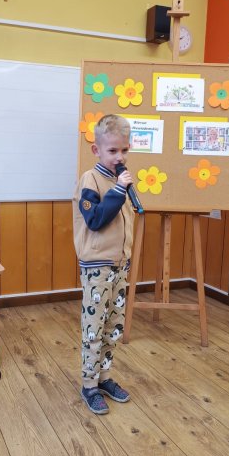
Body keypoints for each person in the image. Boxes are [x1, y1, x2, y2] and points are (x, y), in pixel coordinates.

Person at [72, 114, 135, 414]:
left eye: (124, 150)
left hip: (119, 264)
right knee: (94, 328)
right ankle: (89, 385)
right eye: (112, 151)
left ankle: (105, 377)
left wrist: (121, 189)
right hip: (97, 266)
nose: (119, 157)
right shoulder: (91, 179)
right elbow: (95, 219)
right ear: (97, 150)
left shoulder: (118, 182)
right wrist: (119, 191)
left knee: (113, 325)